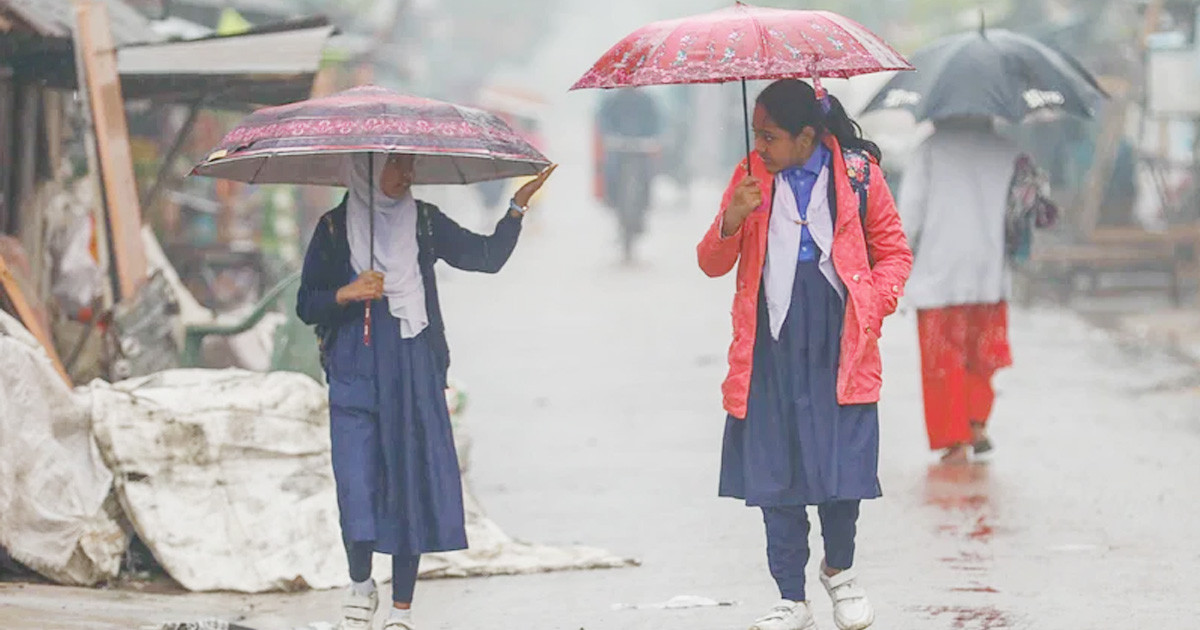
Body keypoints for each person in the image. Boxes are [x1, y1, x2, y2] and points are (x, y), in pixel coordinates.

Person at [297, 153, 555, 630]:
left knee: (407, 483)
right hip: (354, 368)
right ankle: (360, 582)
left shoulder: (425, 223)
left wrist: (517, 206)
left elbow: (486, 257)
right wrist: (348, 293)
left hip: (413, 365)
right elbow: (307, 304)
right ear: (369, 170)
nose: (408, 175)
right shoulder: (333, 229)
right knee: (356, 480)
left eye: (411, 166)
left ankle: (402, 610)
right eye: (398, 165)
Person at [697, 79, 912, 630]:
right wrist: (732, 219)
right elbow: (710, 264)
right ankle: (791, 597)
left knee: (842, 471)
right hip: (772, 345)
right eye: (756, 135)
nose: (761, 147)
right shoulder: (749, 179)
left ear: (807, 136)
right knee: (777, 473)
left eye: (770, 137)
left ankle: (839, 572)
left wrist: (875, 301)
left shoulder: (860, 175)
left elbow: (892, 250)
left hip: (841, 344)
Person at [897, 115, 1019, 464]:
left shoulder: (930, 150)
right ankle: (976, 423)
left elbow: (911, 213)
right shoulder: (1005, 149)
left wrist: (899, 259)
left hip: (940, 269)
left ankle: (954, 439)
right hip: (989, 269)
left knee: (942, 357)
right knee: (982, 352)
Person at [595, 88, 662, 261]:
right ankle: (613, 202)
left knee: (648, 177)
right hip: (619, 151)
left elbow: (657, 124)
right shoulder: (612, 101)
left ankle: (644, 207)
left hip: (641, 150)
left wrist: (653, 139)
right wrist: (610, 136)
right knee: (611, 175)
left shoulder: (648, 101)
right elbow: (603, 121)